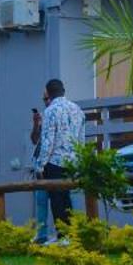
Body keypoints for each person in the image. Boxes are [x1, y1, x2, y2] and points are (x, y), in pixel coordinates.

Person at [34, 78, 86, 236]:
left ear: (49, 93)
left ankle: (63, 234)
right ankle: (71, 234)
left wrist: (40, 165)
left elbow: (48, 141)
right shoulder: (78, 110)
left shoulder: (51, 111)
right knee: (67, 199)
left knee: (56, 200)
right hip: (72, 161)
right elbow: (81, 139)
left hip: (55, 161)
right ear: (63, 91)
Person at [29, 101, 53, 243]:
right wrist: (36, 124)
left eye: (47, 98)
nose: (45, 101)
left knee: (61, 200)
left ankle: (67, 234)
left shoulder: (55, 118)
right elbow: (34, 140)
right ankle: (42, 235)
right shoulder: (45, 118)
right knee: (41, 201)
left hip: (53, 165)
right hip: (39, 166)